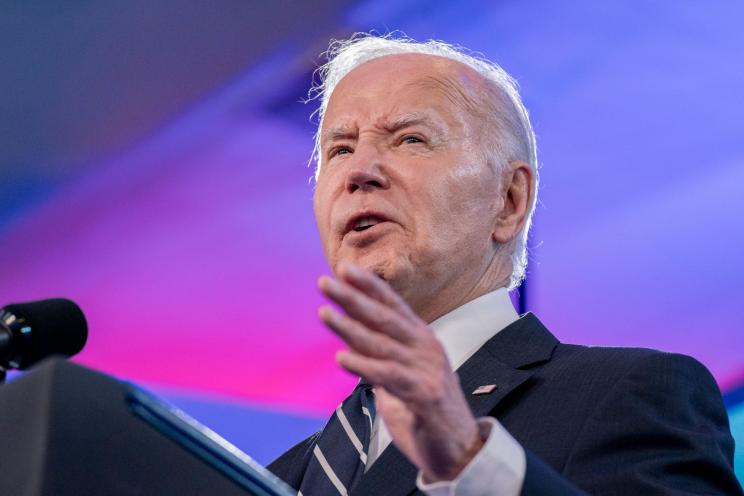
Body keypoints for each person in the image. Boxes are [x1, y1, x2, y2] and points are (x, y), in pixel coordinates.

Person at [268, 34, 742, 495]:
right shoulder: (276, 477)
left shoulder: (627, 393)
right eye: (340, 149)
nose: (359, 172)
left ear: (509, 200)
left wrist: (470, 462)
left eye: (410, 139)